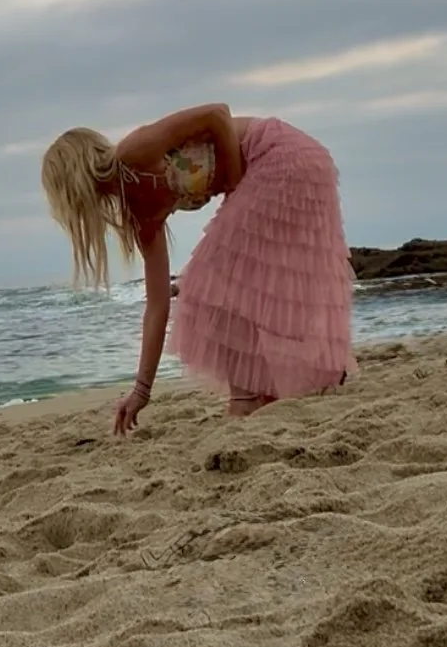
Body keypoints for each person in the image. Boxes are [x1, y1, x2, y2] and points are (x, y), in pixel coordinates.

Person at [41, 103, 354, 435]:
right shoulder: (141, 213)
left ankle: (247, 398)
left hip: (283, 155)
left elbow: (217, 114)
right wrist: (141, 391)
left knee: (211, 281)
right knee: (253, 287)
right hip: (279, 173)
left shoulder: (136, 152)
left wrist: (233, 183)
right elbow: (157, 305)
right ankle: (287, 385)